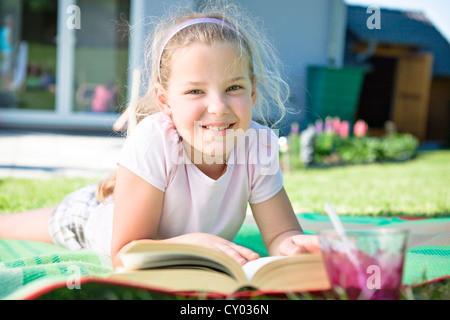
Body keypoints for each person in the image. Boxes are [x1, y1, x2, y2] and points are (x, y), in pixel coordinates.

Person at [0, 3, 320, 269]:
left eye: (233, 87)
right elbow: (124, 255)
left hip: (127, 199)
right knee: (7, 227)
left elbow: (282, 234)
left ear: (252, 92)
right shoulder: (154, 140)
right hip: (86, 219)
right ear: (165, 101)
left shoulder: (259, 145)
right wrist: (192, 245)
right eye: (195, 90)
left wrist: (294, 247)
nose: (218, 107)